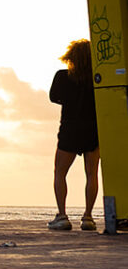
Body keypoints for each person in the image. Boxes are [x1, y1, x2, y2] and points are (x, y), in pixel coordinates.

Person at [47, 39, 99, 231]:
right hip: (93, 129)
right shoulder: (97, 77)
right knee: (92, 173)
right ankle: (88, 217)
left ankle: (62, 215)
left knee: (60, 173)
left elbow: (54, 97)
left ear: (71, 57)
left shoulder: (62, 76)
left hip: (69, 128)